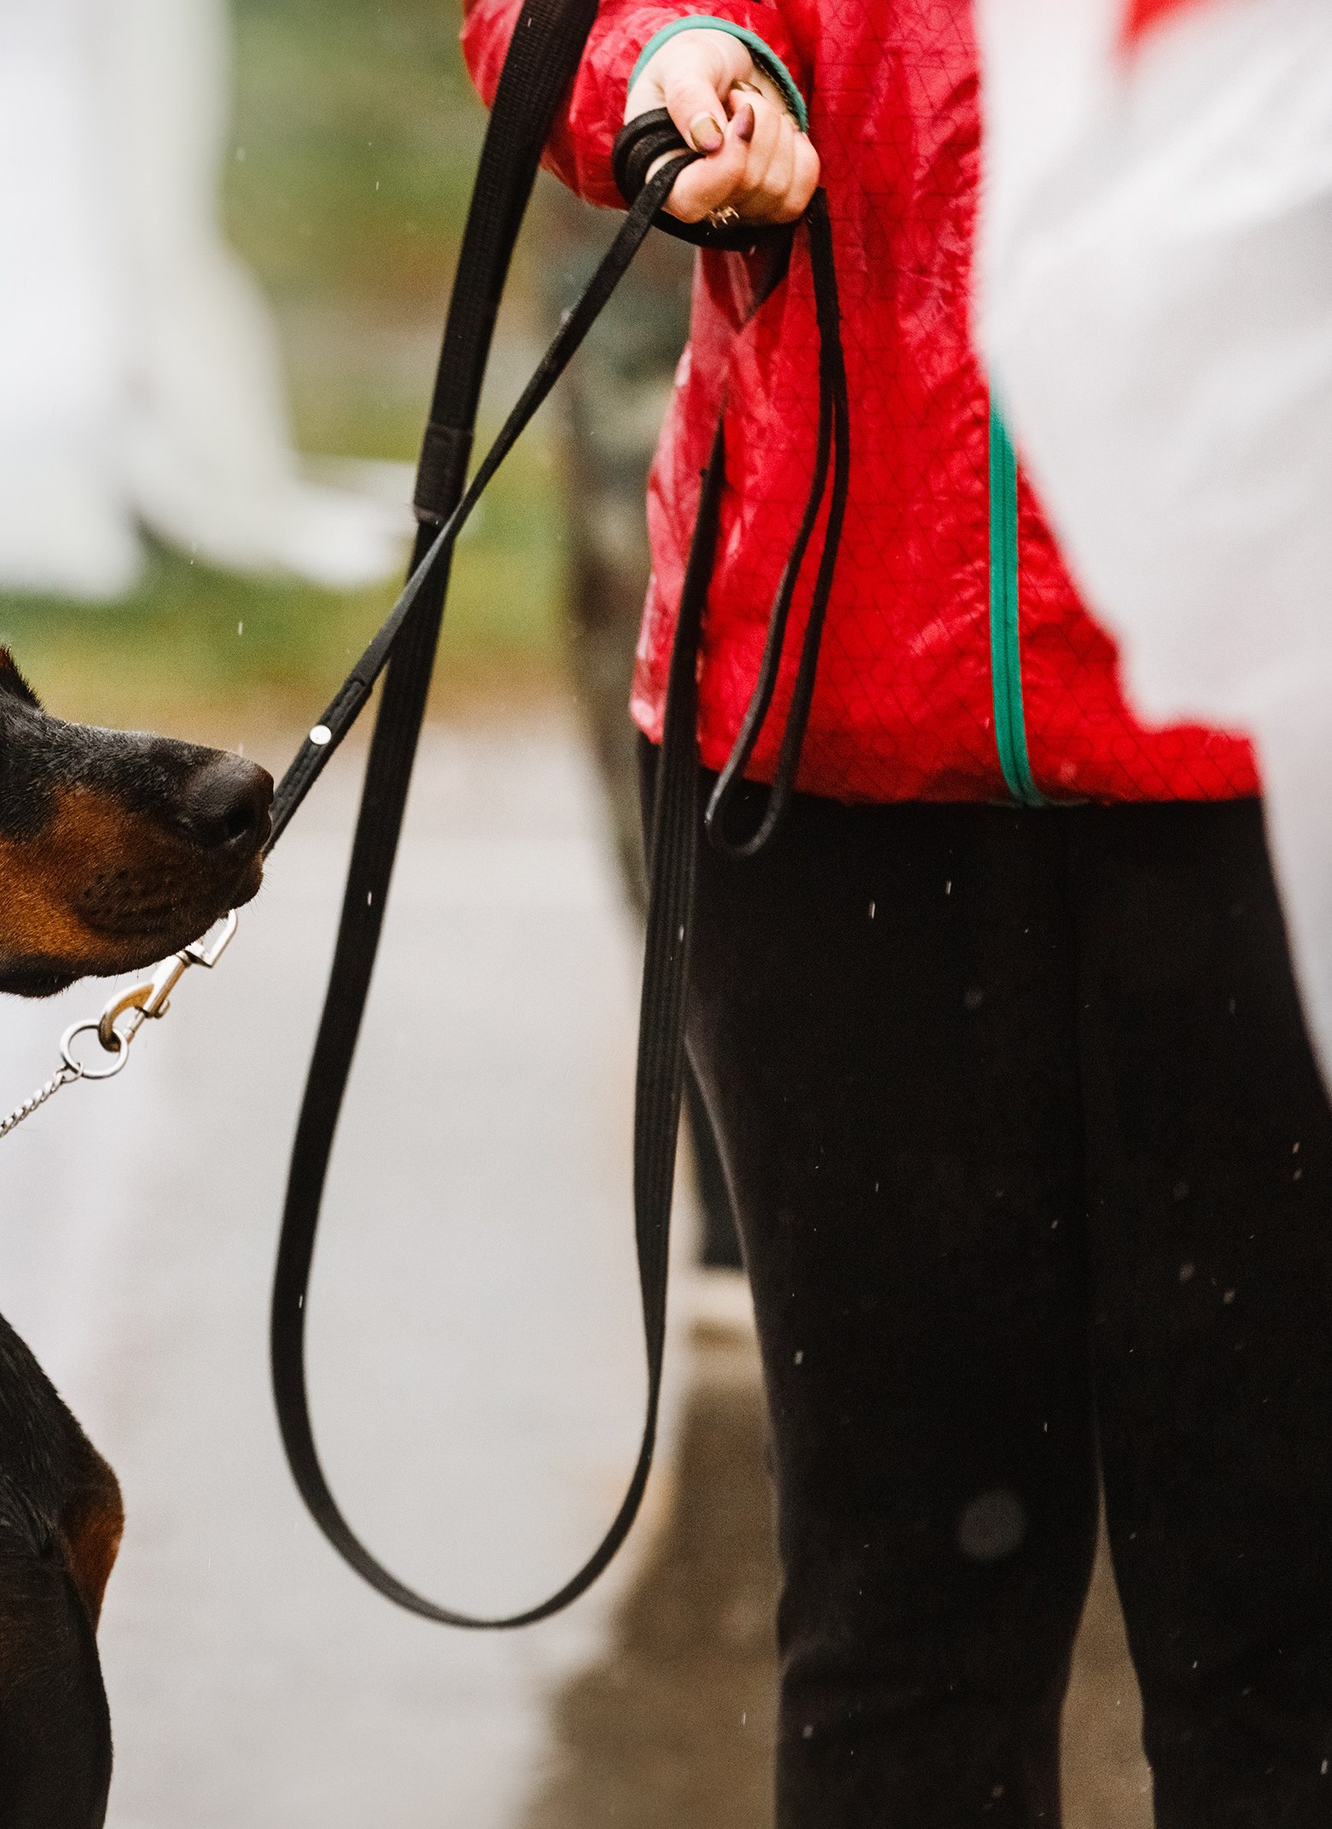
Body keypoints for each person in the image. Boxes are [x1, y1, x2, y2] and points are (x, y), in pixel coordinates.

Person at [457, 4, 1332, 1823]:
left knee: (1286, 1618)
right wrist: (667, 54)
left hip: (1273, 732)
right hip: (827, 731)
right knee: (903, 1609)